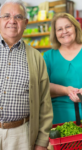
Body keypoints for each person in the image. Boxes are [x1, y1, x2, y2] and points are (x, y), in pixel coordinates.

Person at [0, 0, 53, 150]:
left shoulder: (36, 57)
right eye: (6, 16)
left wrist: (42, 141)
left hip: (21, 135)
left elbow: (45, 103)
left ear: (26, 22)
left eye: (18, 17)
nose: (12, 21)